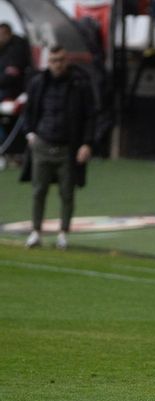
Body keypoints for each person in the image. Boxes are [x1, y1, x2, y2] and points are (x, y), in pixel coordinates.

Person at [20, 46, 96, 250]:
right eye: (54, 60)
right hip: (43, 143)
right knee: (39, 190)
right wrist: (30, 134)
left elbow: (90, 115)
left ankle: (64, 232)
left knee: (67, 192)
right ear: (48, 61)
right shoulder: (38, 83)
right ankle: (36, 231)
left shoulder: (79, 84)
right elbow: (28, 112)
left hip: (68, 147)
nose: (58, 64)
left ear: (67, 61)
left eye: (61, 60)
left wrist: (87, 143)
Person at [0, 23, 30, 101]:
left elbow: (11, 74)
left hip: (11, 88)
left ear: (7, 34)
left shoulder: (17, 48)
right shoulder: (4, 48)